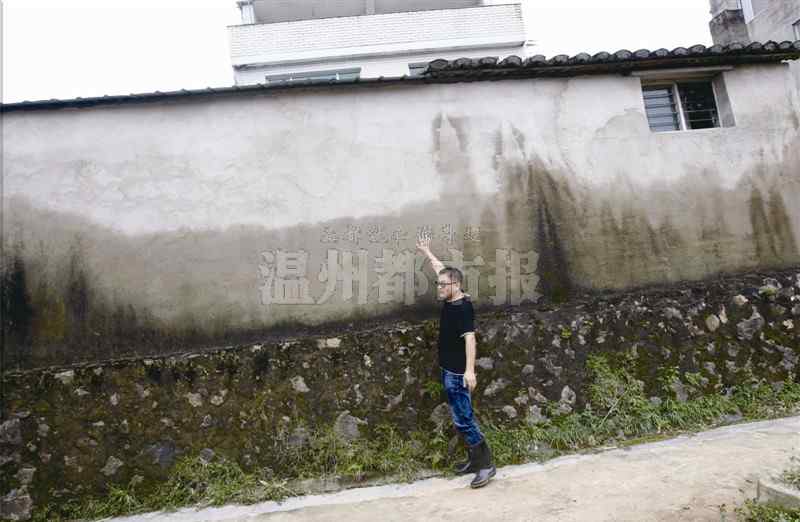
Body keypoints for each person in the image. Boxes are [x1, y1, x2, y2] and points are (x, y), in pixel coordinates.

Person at [416, 233, 496, 489]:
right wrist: (428, 252)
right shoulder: (451, 295)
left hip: (458, 373)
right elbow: (442, 270)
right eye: (438, 284)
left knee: (464, 419)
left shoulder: (462, 309)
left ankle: (486, 465)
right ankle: (474, 461)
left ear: (455, 286)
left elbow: (470, 339)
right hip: (447, 370)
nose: (438, 288)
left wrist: (470, 371)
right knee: (460, 416)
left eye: (442, 285)